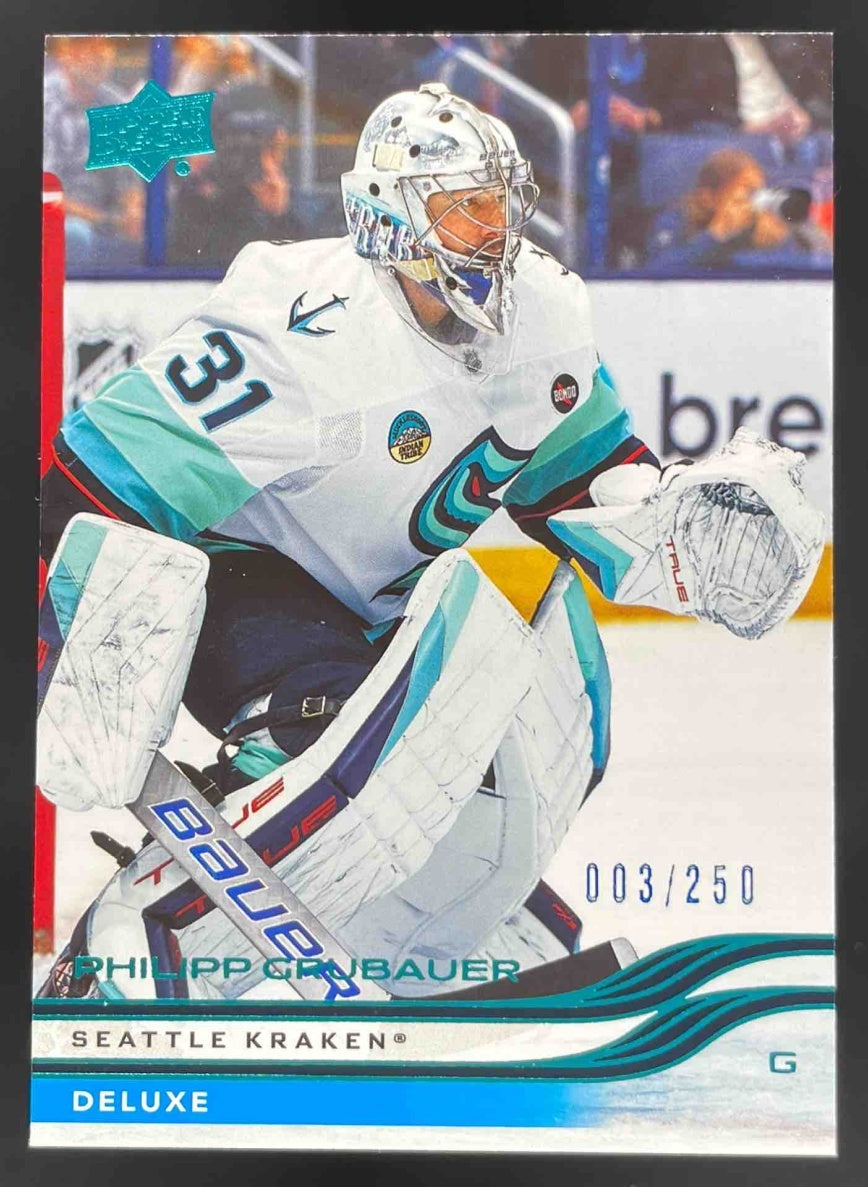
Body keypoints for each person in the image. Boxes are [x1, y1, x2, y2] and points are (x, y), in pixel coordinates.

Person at [38, 84, 820, 1000]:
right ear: (392, 219)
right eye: (464, 207)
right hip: (231, 577)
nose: (496, 229)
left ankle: (437, 948)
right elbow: (89, 481)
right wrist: (72, 653)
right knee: (337, 729)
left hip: (372, 609)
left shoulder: (543, 319)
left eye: (501, 201)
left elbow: (586, 479)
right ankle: (124, 948)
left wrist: (680, 528)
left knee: (487, 753)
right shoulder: (295, 327)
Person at [647, 147, 831, 270]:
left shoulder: (760, 221)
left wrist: (774, 245)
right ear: (708, 198)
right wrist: (716, 235)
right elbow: (656, 270)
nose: (754, 202)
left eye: (759, 191)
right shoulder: (676, 218)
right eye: (748, 192)